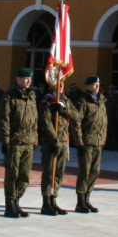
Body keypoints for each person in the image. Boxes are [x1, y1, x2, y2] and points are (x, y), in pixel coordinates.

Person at [0, 68, 38, 218]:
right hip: (15, 142)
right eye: (25, 78)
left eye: (30, 78)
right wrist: (6, 141)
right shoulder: (10, 97)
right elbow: (4, 120)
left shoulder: (32, 96)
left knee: (24, 175)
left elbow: (35, 120)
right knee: (12, 174)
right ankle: (10, 205)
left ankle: (17, 201)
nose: (28, 81)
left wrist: (35, 139)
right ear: (17, 79)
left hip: (29, 142)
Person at [38, 82, 78, 215]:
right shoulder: (46, 100)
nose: (60, 86)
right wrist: (54, 140)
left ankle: (54, 199)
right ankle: (46, 203)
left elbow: (77, 116)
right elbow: (46, 122)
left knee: (59, 172)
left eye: (62, 84)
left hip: (63, 141)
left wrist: (62, 109)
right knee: (49, 171)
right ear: (52, 85)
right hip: (51, 142)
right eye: (57, 84)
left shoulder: (65, 100)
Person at [71, 75, 107, 213]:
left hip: (98, 141)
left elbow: (104, 122)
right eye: (94, 84)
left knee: (95, 171)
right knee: (85, 171)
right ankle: (80, 201)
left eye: (98, 84)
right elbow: (77, 122)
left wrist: (103, 139)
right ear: (87, 86)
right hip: (87, 141)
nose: (97, 86)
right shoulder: (83, 101)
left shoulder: (101, 101)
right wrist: (79, 142)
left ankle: (87, 198)